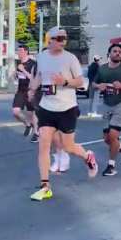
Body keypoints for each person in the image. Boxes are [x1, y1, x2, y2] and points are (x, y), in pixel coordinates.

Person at [28, 27, 98, 200]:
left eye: (64, 38)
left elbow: (81, 82)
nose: (62, 41)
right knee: (43, 145)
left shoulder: (70, 58)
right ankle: (45, 186)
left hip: (66, 108)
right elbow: (38, 75)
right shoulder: (42, 56)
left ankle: (87, 156)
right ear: (49, 40)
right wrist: (32, 89)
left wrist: (64, 81)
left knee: (68, 146)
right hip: (46, 107)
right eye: (58, 38)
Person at [94, 43, 121, 177]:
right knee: (107, 139)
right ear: (109, 54)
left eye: (120, 52)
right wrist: (99, 86)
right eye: (115, 51)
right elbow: (93, 84)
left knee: (113, 136)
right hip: (107, 104)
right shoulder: (102, 69)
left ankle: (111, 166)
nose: (118, 53)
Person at [12, 45, 38, 141]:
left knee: (32, 113)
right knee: (15, 112)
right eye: (17, 51)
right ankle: (27, 124)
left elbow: (34, 78)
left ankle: (36, 133)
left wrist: (23, 70)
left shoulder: (33, 64)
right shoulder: (19, 63)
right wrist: (15, 74)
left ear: (26, 52)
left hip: (30, 90)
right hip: (20, 90)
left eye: (20, 51)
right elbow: (18, 77)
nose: (18, 53)